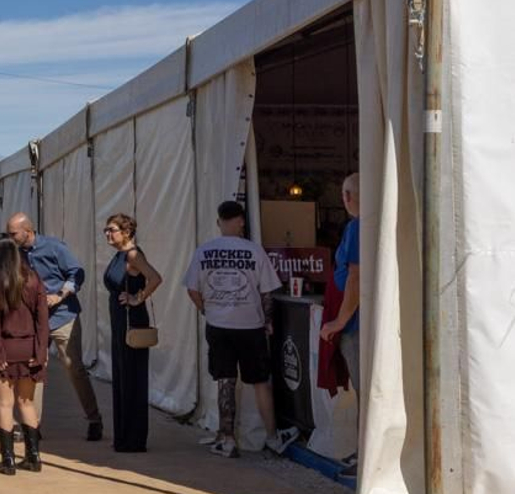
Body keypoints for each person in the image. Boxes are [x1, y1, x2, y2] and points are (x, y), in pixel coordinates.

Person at [185, 200, 301, 458]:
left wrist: (207, 309)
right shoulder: (254, 251)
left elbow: (192, 289)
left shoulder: (204, 251)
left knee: (225, 380)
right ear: (241, 222)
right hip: (250, 325)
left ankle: (227, 439)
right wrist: (267, 320)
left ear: (218, 222)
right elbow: (267, 291)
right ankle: (271, 437)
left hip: (218, 324)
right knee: (260, 381)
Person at [6, 213, 103, 441]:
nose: (10, 238)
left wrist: (59, 295)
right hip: (33, 320)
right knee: (34, 369)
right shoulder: (16, 253)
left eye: (13, 234)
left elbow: (77, 273)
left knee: (74, 367)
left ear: (27, 231)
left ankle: (94, 418)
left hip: (62, 316)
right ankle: (32, 424)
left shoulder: (54, 247)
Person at [0, 236, 50, 474]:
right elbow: (42, 319)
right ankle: (34, 456)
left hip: (6, 347)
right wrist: (41, 351)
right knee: (27, 402)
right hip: (30, 346)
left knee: (4, 403)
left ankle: (7, 459)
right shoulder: (32, 278)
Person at [103, 213, 162, 454]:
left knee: (132, 378)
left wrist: (137, 298)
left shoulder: (134, 255)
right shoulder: (119, 255)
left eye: (112, 230)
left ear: (126, 232)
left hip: (132, 321)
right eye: (106, 230)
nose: (108, 234)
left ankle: (134, 438)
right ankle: (123, 436)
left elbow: (155, 278)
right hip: (119, 321)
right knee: (122, 377)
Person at [320, 173, 363, 415]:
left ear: (347, 197)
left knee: (364, 390)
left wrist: (340, 321)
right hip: (359, 320)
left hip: (356, 324)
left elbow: (356, 277)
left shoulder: (357, 226)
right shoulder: (369, 223)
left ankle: (365, 451)